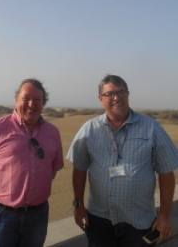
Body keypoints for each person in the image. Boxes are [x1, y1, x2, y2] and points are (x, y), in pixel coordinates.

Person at [66, 74, 178, 247]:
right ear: (100, 99)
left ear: (128, 94)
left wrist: (165, 214)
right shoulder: (89, 129)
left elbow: (166, 172)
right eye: (110, 94)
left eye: (121, 92)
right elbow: (79, 169)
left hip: (139, 221)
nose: (116, 97)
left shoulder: (152, 127)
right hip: (99, 220)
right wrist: (78, 204)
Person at [0, 78, 64, 247]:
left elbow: (51, 171)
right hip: (1, 216)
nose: (31, 104)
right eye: (26, 98)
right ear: (16, 100)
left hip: (38, 216)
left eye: (37, 100)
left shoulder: (53, 133)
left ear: (43, 103)